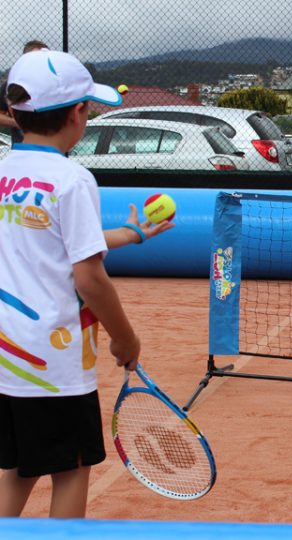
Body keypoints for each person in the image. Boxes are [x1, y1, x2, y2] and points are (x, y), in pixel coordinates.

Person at [0, 49, 170, 519]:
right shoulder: (73, 179)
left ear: (14, 113)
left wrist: (133, 234)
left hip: (7, 360)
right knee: (71, 472)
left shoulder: (4, 172)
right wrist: (126, 339)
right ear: (79, 114)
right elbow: (89, 277)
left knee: (16, 469)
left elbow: (46, 241)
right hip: (55, 365)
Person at [0, 41, 50, 144]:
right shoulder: (11, 85)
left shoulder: (57, 84)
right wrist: (18, 122)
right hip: (22, 146)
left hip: (54, 149)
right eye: (35, 58)